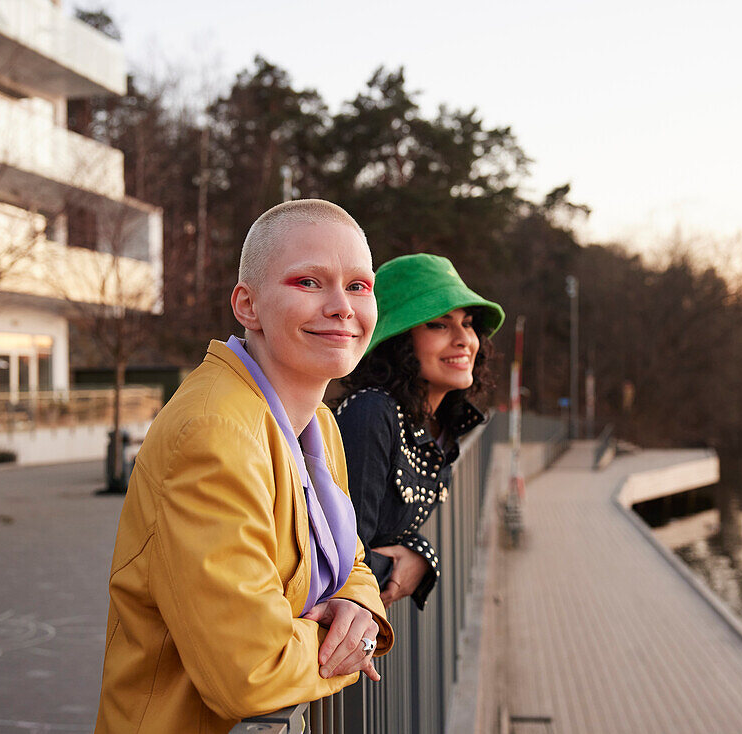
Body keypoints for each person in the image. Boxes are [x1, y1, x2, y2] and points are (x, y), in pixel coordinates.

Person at [95, 200, 393, 734]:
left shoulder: (319, 424)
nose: (341, 306)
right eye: (308, 282)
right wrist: (347, 648)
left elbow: (351, 562)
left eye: (358, 286)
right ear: (247, 305)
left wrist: (360, 612)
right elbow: (252, 670)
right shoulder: (213, 432)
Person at [335, 254, 504, 609]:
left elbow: (393, 536)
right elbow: (343, 566)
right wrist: (415, 561)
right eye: (439, 325)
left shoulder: (439, 425)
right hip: (326, 646)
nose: (464, 340)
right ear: (399, 340)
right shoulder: (372, 413)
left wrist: (423, 555)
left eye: (468, 323)